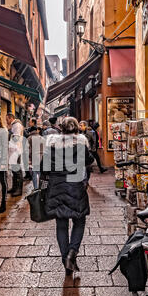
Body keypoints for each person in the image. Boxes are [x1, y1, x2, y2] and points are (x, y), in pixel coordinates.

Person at [41, 117, 94, 275]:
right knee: (79, 221)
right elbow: (89, 161)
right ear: (77, 129)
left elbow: (44, 168)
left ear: (61, 129)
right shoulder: (81, 145)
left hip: (56, 189)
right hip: (75, 188)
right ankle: (72, 252)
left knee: (61, 225)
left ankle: (66, 259)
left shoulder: (51, 146)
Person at [6, 112, 24, 197]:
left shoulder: (16, 125)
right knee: (14, 171)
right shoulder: (14, 125)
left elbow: (16, 138)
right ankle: (14, 187)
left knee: (17, 171)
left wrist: (8, 132)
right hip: (13, 150)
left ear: (11, 118)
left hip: (16, 150)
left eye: (7, 119)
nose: (6, 121)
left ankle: (19, 190)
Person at [27, 125, 44, 189]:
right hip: (41, 158)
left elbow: (28, 150)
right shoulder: (41, 137)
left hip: (33, 158)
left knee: (34, 174)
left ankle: (36, 188)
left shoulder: (29, 138)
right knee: (40, 174)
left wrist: (29, 160)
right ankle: (40, 188)